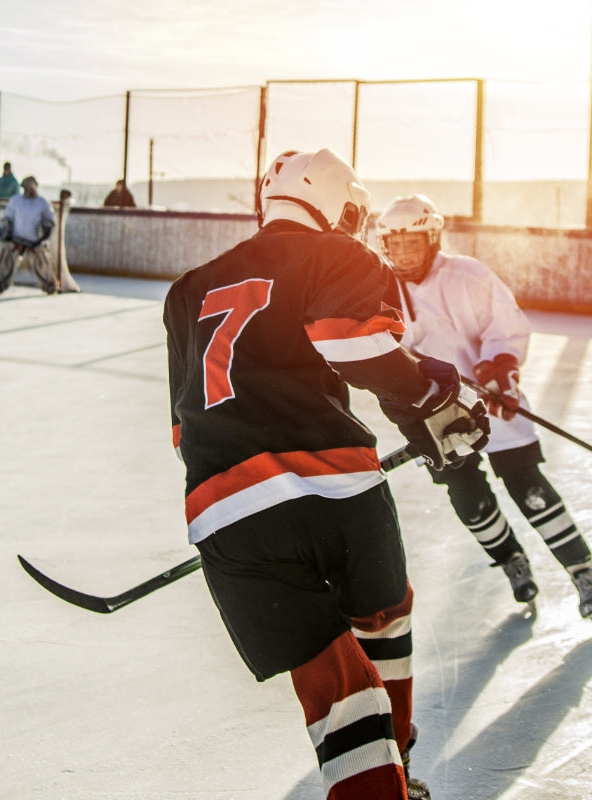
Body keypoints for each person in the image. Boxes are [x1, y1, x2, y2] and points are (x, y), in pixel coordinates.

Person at [165, 148, 488, 800]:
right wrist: (436, 396)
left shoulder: (187, 290)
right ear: (339, 204)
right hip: (336, 491)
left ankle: (380, 767)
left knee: (337, 692)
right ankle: (397, 755)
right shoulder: (337, 254)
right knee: (386, 613)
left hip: (223, 512)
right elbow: (354, 343)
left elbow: (181, 429)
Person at [376, 194, 592, 630]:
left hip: (492, 399)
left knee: (530, 489)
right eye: (394, 246)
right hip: (439, 416)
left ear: (433, 238)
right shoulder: (382, 290)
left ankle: (586, 573)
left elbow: (504, 326)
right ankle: (511, 561)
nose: (402, 255)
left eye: (411, 244)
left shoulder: (469, 275)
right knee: (468, 499)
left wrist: (499, 372)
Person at [0, 176, 58, 294]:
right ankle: (1, 282)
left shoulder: (42, 202)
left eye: (31, 186)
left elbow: (50, 222)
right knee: (6, 258)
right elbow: (7, 218)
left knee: (42, 263)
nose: (29, 189)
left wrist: (42, 239)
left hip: (35, 241)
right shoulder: (16, 200)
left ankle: (49, 285)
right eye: (26, 186)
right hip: (16, 239)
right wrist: (6, 233)